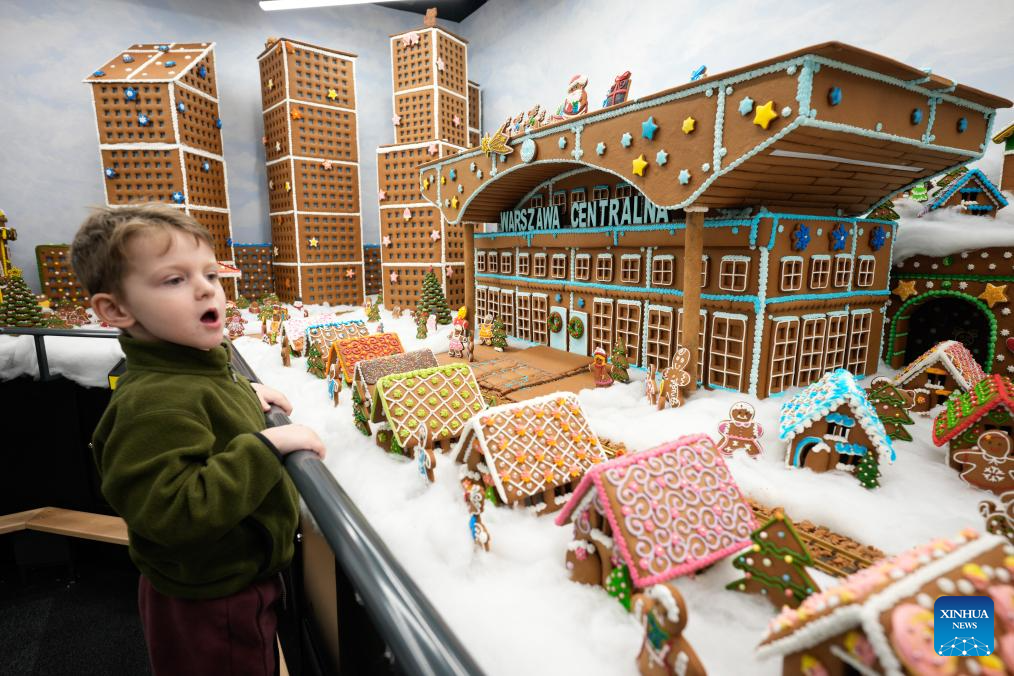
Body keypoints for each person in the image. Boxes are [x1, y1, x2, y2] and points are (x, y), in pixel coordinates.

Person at [70, 204, 326, 676]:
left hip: (231, 583)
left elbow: (203, 409)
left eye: (210, 273)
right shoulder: (153, 402)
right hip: (211, 600)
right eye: (175, 279)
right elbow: (174, 510)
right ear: (116, 309)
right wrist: (265, 447)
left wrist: (245, 396)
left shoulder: (190, 369)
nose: (207, 287)